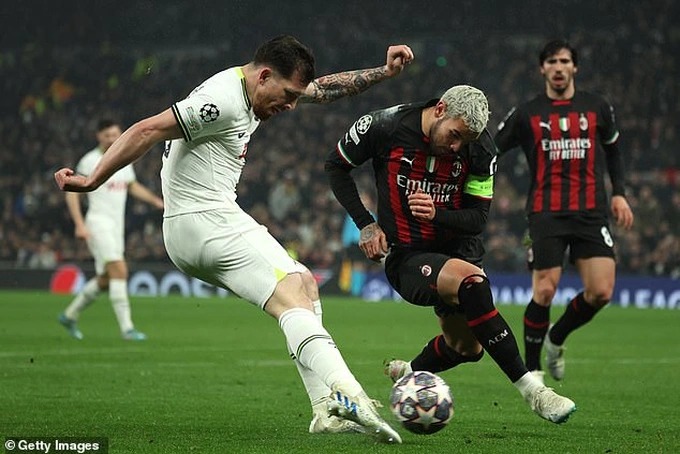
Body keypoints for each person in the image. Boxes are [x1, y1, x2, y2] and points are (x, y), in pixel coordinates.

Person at [54, 35, 414, 443]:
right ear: (264, 76)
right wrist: (92, 180)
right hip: (203, 221)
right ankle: (353, 395)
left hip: (203, 223)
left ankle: (323, 410)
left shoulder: (255, 91)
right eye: (287, 95)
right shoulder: (221, 101)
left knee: (304, 285)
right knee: (290, 290)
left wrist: (384, 72)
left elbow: (322, 90)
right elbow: (147, 129)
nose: (291, 106)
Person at [325, 84, 576, 424]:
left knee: (466, 348)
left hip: (458, 251)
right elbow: (336, 165)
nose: (457, 147)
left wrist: (437, 214)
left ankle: (409, 372)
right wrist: (366, 224)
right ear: (440, 110)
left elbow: (478, 219)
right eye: (455, 135)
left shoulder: (481, 148)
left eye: (465, 141)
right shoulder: (385, 126)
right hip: (408, 257)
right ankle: (536, 392)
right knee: (471, 281)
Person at [493, 39, 634, 382]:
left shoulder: (597, 107)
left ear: (575, 67)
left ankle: (556, 337)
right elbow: (491, 149)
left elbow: (614, 152)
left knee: (601, 292)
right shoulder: (527, 113)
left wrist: (619, 194)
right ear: (542, 68)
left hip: (591, 212)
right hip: (545, 213)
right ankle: (533, 372)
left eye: (565, 61)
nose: (558, 67)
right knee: (544, 290)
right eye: (552, 61)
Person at [58, 119, 164, 341]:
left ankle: (69, 315)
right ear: (99, 136)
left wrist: (155, 201)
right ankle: (127, 329)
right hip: (98, 222)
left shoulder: (123, 156)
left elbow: (131, 186)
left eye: (115, 134)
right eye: (107, 135)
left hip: (116, 227)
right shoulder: (89, 160)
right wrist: (79, 224)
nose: (112, 138)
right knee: (119, 270)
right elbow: (72, 192)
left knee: (106, 279)